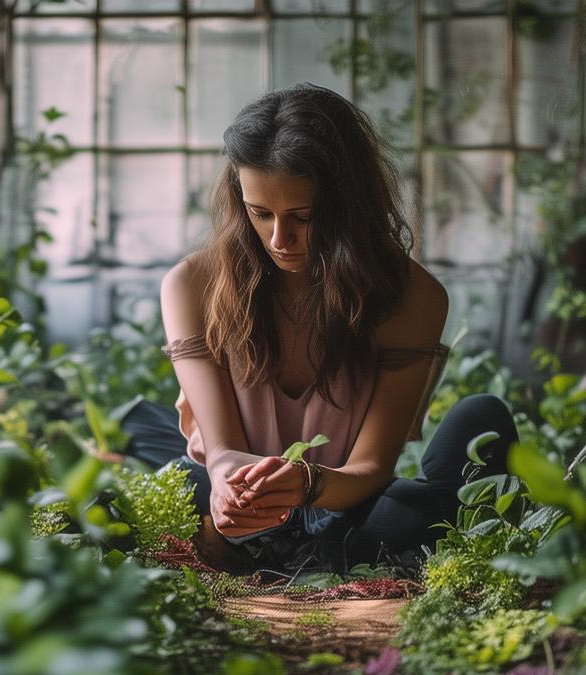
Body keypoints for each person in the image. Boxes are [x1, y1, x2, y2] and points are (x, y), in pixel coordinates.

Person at [120, 84, 517, 573]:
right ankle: (272, 547)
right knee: (171, 487)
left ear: (349, 205)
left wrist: (308, 484)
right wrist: (227, 480)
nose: (279, 239)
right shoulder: (192, 284)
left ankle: (292, 553)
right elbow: (220, 449)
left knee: (482, 419)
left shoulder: (412, 295)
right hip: (232, 497)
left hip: (345, 502)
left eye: (303, 217)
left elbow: (370, 468)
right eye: (259, 213)